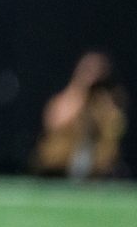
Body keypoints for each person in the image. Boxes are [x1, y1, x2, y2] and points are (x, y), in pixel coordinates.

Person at [32, 51, 127, 180]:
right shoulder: (69, 98)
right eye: (88, 70)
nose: (93, 76)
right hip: (59, 166)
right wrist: (81, 91)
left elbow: (115, 131)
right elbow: (54, 123)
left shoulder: (108, 102)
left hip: (97, 167)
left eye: (97, 72)